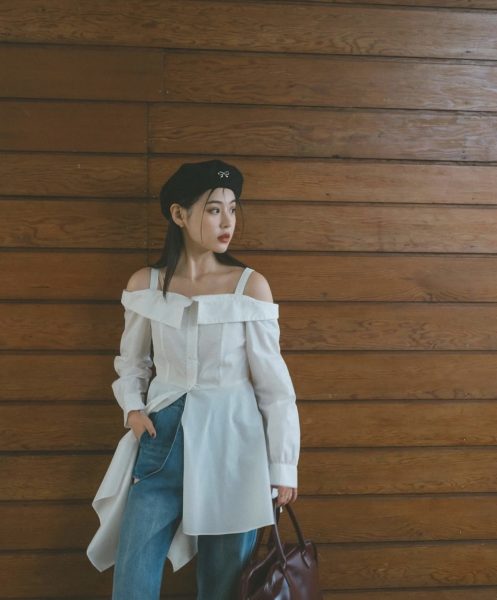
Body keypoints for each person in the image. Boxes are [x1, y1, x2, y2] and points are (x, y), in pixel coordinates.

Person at [86, 158, 301, 599]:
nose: (227, 222)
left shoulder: (249, 287)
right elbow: (132, 361)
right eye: (214, 209)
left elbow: (275, 389)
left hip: (234, 445)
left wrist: (283, 466)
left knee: (223, 584)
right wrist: (133, 411)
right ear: (179, 214)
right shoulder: (146, 284)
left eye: (233, 209)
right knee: (132, 581)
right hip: (161, 438)